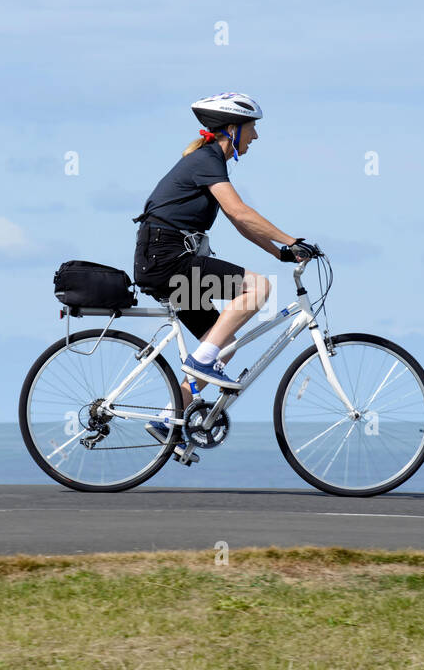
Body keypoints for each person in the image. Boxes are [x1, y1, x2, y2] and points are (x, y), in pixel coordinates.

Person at [132, 92, 318, 450]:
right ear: (231, 129)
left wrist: (280, 251)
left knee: (223, 343)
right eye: (252, 129)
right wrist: (292, 239)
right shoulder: (206, 160)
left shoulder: (208, 162)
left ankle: (168, 417)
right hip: (167, 260)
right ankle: (200, 365)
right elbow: (240, 212)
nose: (256, 137)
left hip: (163, 261)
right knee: (258, 289)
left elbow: (241, 225)